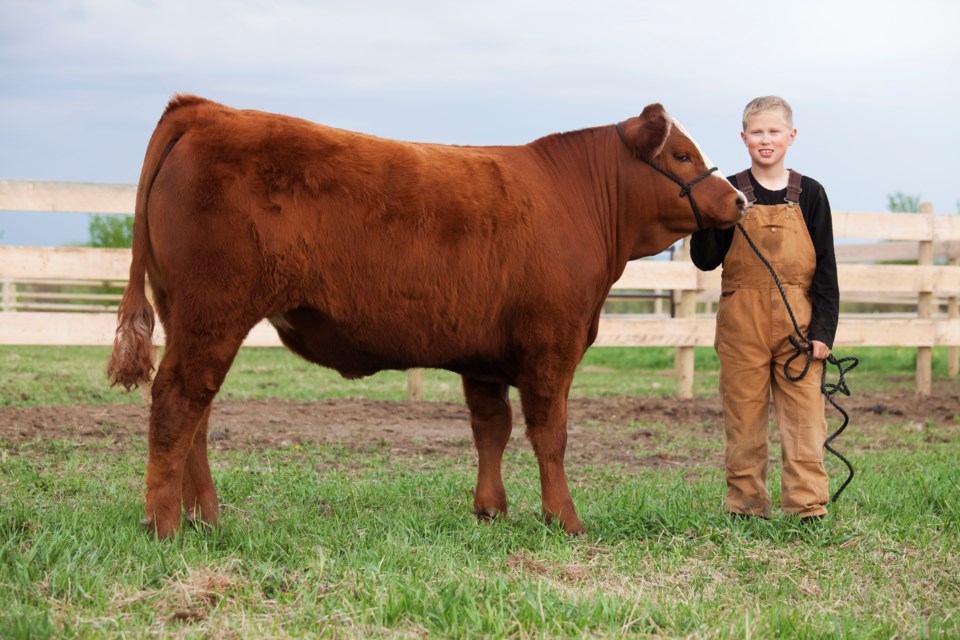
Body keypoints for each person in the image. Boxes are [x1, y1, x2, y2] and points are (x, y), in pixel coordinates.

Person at [690, 96, 839, 521]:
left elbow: (826, 269)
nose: (766, 140)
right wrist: (704, 216)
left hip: (799, 324)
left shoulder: (811, 194)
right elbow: (706, 260)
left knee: (805, 420)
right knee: (744, 419)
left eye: (774, 132)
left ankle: (807, 507)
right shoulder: (729, 191)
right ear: (743, 138)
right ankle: (745, 506)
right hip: (742, 323)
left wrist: (823, 333)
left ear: (791, 137)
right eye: (757, 132)